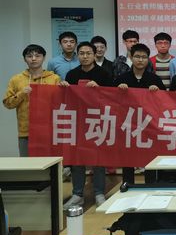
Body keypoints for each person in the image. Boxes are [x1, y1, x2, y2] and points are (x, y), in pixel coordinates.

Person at [60, 42, 113, 207]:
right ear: (78, 55)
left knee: (98, 160)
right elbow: (66, 98)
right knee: (77, 160)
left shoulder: (104, 73)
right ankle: (77, 194)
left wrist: (100, 89)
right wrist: (64, 88)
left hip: (98, 120)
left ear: (94, 54)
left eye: (88, 53)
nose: (85, 56)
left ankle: (99, 193)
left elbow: (112, 97)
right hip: (78, 121)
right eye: (81, 53)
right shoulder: (72, 74)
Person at [115, 43, 165, 185]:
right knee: (128, 156)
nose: (140, 60)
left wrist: (157, 92)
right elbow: (111, 100)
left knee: (149, 156)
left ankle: (150, 185)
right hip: (128, 124)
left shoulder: (155, 79)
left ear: (148, 59)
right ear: (131, 57)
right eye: (137, 56)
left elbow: (164, 101)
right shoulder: (122, 78)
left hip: (149, 124)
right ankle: (127, 185)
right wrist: (118, 90)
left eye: (144, 57)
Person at [3, 44, 60, 157]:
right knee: (28, 164)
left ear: (44, 57)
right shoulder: (16, 79)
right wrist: (21, 93)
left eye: (37, 56)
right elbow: (8, 104)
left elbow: (61, 103)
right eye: (29, 56)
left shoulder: (54, 78)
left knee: (51, 164)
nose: (33, 59)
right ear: (25, 59)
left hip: (50, 131)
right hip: (26, 132)